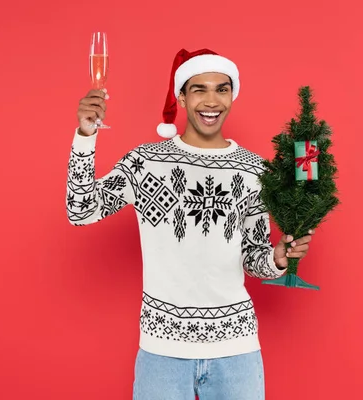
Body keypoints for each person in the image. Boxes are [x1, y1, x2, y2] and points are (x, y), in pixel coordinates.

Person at [65, 48, 314, 400]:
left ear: (232, 95)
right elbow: (81, 209)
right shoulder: (145, 162)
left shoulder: (255, 171)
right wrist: (85, 137)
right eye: (199, 89)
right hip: (161, 350)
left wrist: (277, 258)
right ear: (181, 97)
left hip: (236, 348)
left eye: (221, 89)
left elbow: (253, 257)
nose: (211, 100)